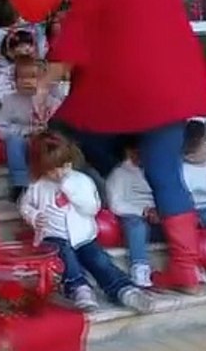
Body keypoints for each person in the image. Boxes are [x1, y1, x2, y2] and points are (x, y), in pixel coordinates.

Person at [45, 0, 206, 294]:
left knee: (62, 130)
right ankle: (187, 269)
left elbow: (78, 31)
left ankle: (95, 200)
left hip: (130, 86)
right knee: (165, 174)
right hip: (172, 84)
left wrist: (45, 83)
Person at [19, 131, 152, 314]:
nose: (59, 173)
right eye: (52, 169)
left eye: (63, 166)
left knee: (99, 260)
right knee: (65, 258)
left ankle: (123, 289)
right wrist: (33, 217)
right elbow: (25, 205)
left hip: (84, 236)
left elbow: (92, 208)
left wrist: (71, 192)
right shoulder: (38, 186)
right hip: (54, 235)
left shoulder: (81, 181)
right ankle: (79, 288)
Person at [0, 58, 62, 201]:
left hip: (46, 139)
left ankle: (55, 182)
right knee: (14, 142)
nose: (27, 81)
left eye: (32, 77)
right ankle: (20, 184)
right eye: (21, 78)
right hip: (24, 141)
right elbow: (0, 128)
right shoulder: (10, 100)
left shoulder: (51, 99)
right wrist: (26, 131)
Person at [106, 141, 157, 289]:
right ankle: (140, 267)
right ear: (129, 151)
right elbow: (115, 205)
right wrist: (143, 211)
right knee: (136, 224)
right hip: (131, 217)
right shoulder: (119, 174)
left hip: (155, 217)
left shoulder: (152, 169)